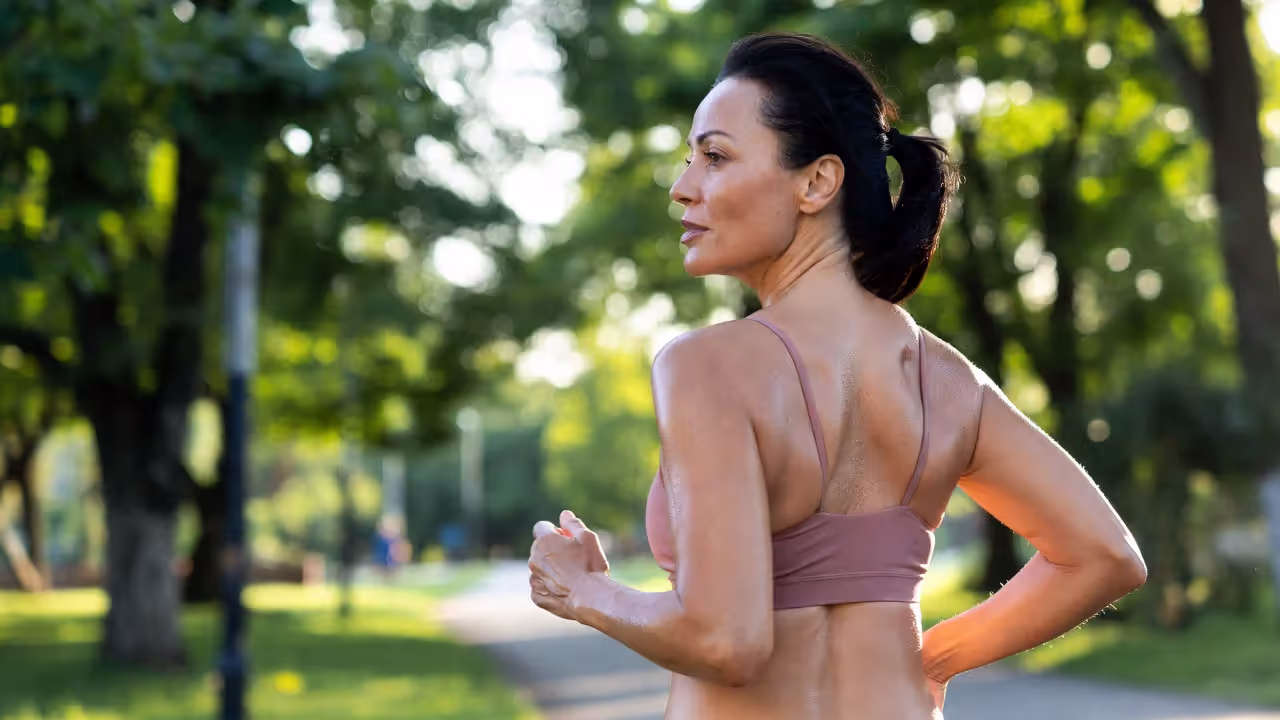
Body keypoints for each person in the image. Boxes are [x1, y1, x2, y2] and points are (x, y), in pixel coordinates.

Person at [527, 32, 1146, 719]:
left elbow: (727, 640)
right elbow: (1104, 556)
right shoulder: (949, 381)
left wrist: (581, 589)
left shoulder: (706, 366)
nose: (682, 187)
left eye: (714, 155)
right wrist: (935, 657)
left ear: (817, 181)